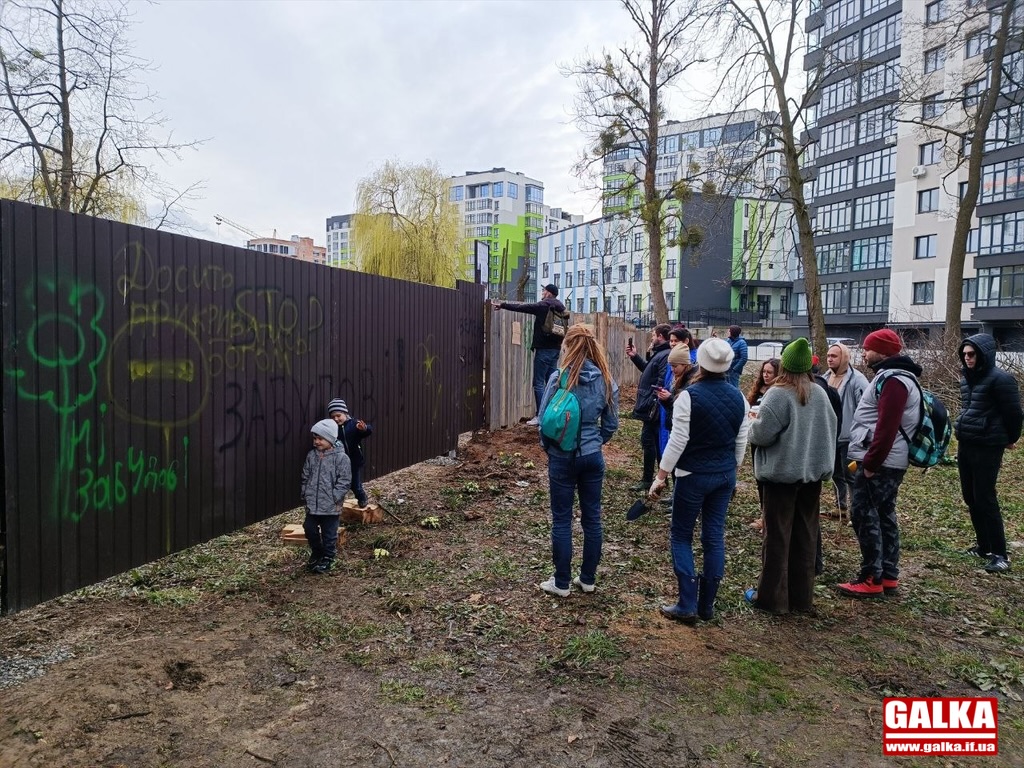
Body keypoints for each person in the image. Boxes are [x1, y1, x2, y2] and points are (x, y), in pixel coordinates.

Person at [649, 337, 750, 624]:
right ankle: (707, 605)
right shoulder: (740, 398)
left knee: (681, 535)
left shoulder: (688, 397)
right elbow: (741, 441)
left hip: (692, 475)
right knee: (713, 536)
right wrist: (733, 471)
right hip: (724, 476)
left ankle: (687, 604)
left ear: (700, 362)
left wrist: (660, 476)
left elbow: (678, 440)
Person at [746, 339, 837, 614]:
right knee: (805, 537)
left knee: (777, 538)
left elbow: (762, 435)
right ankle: (801, 598)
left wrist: (752, 424)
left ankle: (771, 599)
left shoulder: (778, 394)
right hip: (811, 478)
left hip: (781, 478)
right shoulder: (820, 393)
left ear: (784, 365)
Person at [837, 329, 921, 598]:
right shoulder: (897, 377)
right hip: (889, 459)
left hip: (881, 462)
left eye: (868, 348)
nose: (864, 353)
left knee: (863, 513)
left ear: (883, 352)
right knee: (884, 514)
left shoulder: (894, 381)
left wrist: (872, 463)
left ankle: (871, 577)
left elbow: (887, 427)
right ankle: (887, 575)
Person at [536, 325, 619, 596]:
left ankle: (561, 582)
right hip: (592, 456)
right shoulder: (606, 379)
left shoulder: (558, 377)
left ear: (567, 346)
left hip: (562, 456)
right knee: (592, 518)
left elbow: (544, 420)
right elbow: (611, 424)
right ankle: (588, 579)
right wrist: (594, 442)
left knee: (562, 519)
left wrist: (550, 448)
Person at [956, 333, 1023, 574]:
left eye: (972, 354)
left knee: (985, 497)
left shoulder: (1001, 379)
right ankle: (983, 547)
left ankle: (1000, 554)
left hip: (988, 445)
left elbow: (1014, 413)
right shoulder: (966, 379)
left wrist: (1010, 439)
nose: (967, 358)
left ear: (984, 354)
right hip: (967, 443)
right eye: (964, 354)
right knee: (970, 496)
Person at [491, 284, 568, 425]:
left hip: (543, 350)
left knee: (538, 383)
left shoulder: (544, 306)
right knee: (551, 383)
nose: (542, 293)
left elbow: (523, 307)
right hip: (555, 350)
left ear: (549, 293)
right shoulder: (561, 308)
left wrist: (503, 305)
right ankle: (552, 414)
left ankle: (540, 416)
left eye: (544, 291)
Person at [300, 419, 352, 574]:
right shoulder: (312, 455)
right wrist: (305, 491)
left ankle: (328, 557)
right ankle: (317, 551)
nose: (316, 442)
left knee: (329, 533)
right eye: (315, 438)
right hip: (313, 504)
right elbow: (305, 475)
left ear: (331, 439)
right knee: (309, 528)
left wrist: (335, 497)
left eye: (320, 438)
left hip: (331, 505)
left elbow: (344, 480)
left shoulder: (341, 458)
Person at [626, 324, 673, 490]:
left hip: (655, 408)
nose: (652, 338)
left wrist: (653, 403)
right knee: (651, 442)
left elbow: (661, 380)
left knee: (652, 442)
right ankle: (655, 479)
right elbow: (649, 371)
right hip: (652, 406)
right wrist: (635, 357)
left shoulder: (665, 355)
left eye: (653, 335)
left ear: (660, 336)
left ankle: (653, 479)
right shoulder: (660, 354)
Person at [824, 343, 868, 514]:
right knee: (835, 473)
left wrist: (860, 435)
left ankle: (855, 511)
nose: (830, 359)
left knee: (851, 474)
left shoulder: (857, 380)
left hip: (850, 438)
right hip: (831, 436)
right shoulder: (825, 378)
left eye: (834, 356)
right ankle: (840, 507)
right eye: (828, 355)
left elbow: (866, 409)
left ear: (844, 357)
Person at [328, 398, 373, 508]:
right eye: (333, 417)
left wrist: (364, 429)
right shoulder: (332, 428)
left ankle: (362, 497)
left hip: (354, 461)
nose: (336, 419)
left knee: (355, 484)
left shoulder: (354, 424)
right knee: (339, 483)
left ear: (345, 413)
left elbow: (368, 431)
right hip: (338, 462)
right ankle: (337, 503)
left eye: (338, 415)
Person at [657, 342, 697, 455]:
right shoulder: (678, 378)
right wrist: (665, 399)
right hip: (674, 427)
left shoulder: (691, 383)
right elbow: (673, 406)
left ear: (685, 364)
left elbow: (687, 408)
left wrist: (669, 398)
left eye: (675, 366)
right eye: (671, 366)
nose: (672, 369)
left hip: (683, 433)